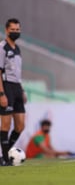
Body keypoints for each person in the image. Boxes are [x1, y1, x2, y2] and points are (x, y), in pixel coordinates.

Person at [0, 18, 27, 166]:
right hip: (6, 86)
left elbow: (18, 72)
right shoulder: (2, 48)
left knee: (20, 125)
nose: (16, 32)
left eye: (18, 30)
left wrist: (21, 90)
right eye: (13, 30)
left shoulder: (17, 48)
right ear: (6, 30)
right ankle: (4, 158)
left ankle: (7, 153)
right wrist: (1, 94)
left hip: (17, 87)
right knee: (5, 125)